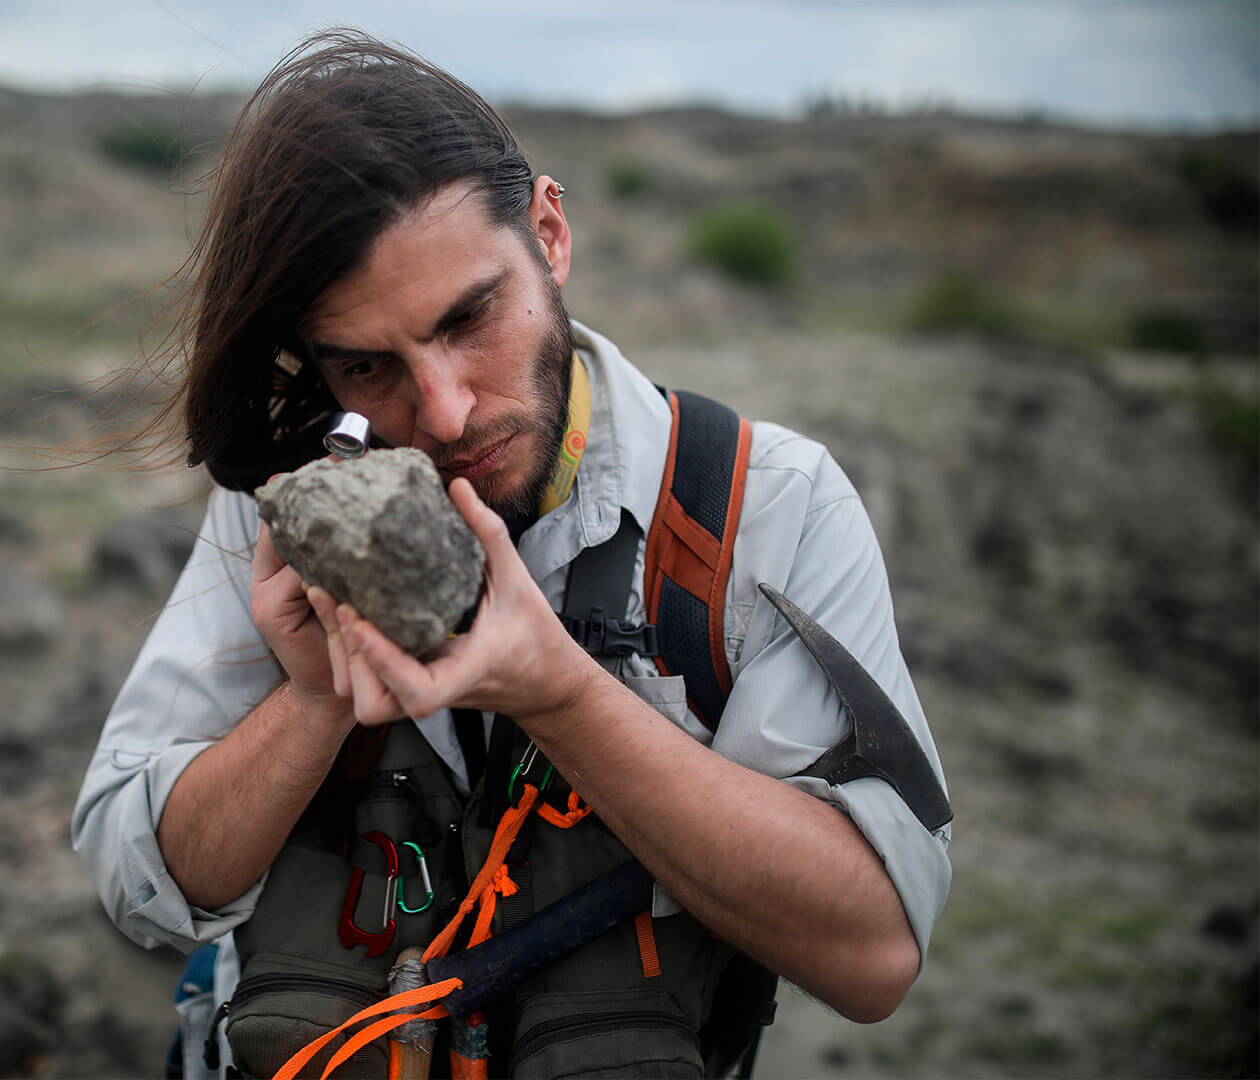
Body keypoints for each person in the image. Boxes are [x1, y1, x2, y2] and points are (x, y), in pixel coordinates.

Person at [73, 29, 950, 1077]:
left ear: (550, 230)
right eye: (366, 365)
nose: (442, 412)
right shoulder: (294, 510)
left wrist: (560, 695)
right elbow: (136, 883)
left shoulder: (768, 507)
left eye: (469, 317)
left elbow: (875, 953)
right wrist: (309, 705)